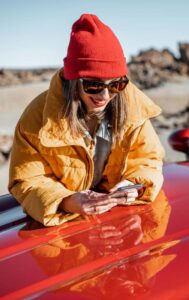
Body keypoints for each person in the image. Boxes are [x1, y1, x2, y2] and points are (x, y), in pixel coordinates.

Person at [8, 14, 165, 226]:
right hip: (64, 230)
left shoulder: (132, 107)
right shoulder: (37, 118)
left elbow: (149, 159)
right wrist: (67, 201)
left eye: (116, 85)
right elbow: (26, 180)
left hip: (117, 221)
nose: (105, 96)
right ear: (74, 81)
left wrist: (132, 185)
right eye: (94, 85)